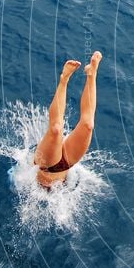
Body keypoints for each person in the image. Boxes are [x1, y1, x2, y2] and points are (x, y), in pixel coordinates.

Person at [33, 51, 102, 188]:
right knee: (88, 125)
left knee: (56, 129)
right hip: (66, 164)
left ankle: (64, 79)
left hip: (45, 165)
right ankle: (91, 74)